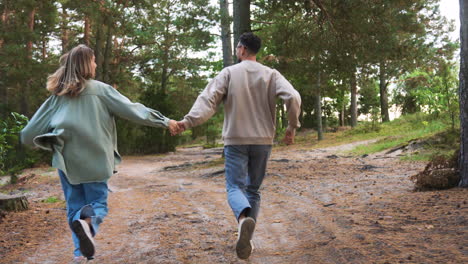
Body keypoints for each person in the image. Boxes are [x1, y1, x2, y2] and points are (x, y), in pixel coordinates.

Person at [20, 44, 179, 263]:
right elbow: (134, 111)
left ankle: (79, 255)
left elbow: (29, 133)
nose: (96, 64)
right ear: (87, 63)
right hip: (96, 160)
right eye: (94, 60)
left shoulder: (57, 98)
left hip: (67, 163)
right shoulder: (101, 90)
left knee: (74, 207)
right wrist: (165, 121)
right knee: (97, 205)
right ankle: (87, 225)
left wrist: (42, 144)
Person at [175, 32, 301, 259]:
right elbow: (292, 96)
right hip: (263, 141)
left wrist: (188, 122)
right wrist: (291, 127)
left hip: (235, 140)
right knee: (253, 189)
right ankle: (247, 241)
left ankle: (243, 220)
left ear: (242, 49)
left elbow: (208, 100)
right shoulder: (271, 74)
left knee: (234, 187)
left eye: (237, 48)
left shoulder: (229, 73)